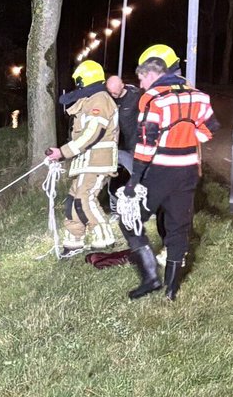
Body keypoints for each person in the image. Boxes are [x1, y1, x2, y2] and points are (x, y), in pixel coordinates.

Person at [120, 44, 219, 300]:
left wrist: (134, 180)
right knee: (178, 228)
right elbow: (210, 129)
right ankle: (171, 290)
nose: (140, 83)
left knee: (129, 220)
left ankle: (151, 278)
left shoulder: (154, 100)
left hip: (159, 172)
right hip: (187, 173)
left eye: (142, 76)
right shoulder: (199, 96)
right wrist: (186, 137)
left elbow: (145, 145)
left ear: (155, 70)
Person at [46, 60, 120, 254]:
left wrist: (63, 152)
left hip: (98, 162)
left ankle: (104, 237)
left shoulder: (100, 99)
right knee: (73, 200)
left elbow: (92, 133)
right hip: (85, 162)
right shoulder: (89, 99)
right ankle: (74, 239)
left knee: (85, 198)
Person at [109, 73, 167, 264]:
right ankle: (117, 208)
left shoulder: (136, 96)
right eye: (112, 93)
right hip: (119, 147)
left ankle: (144, 209)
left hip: (136, 148)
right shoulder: (107, 95)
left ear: (123, 86)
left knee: (139, 178)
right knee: (115, 178)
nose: (115, 96)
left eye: (117, 93)